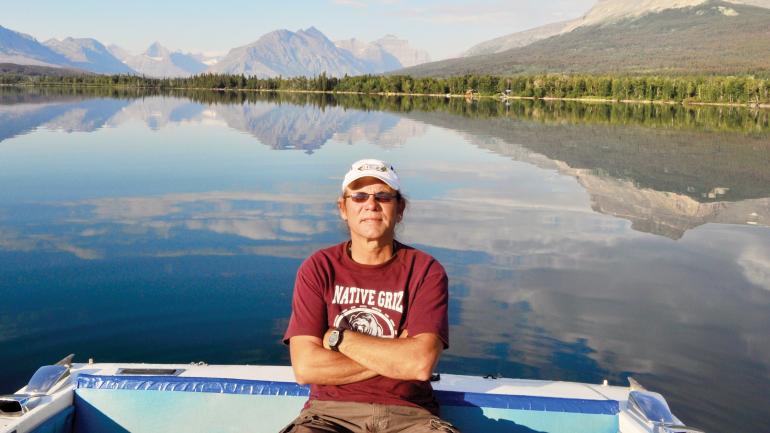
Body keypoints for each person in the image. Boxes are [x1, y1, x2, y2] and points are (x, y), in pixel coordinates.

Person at [281, 159, 460, 433]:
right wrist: (394, 353)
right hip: (329, 416)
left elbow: (419, 363)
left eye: (383, 196)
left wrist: (338, 338)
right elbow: (306, 368)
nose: (371, 205)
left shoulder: (426, 271)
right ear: (344, 208)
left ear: (400, 209)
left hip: (411, 416)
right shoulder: (318, 268)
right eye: (359, 196)